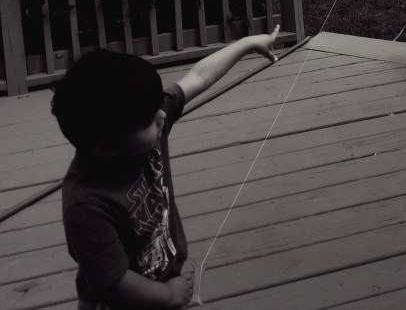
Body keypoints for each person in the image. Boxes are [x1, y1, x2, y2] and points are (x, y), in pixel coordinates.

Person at [51, 25, 280, 309]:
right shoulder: (86, 206)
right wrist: (169, 296)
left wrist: (247, 44)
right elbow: (114, 283)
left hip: (163, 285)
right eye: (149, 119)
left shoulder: (142, 124)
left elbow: (197, 76)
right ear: (108, 147)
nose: (162, 116)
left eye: (158, 106)